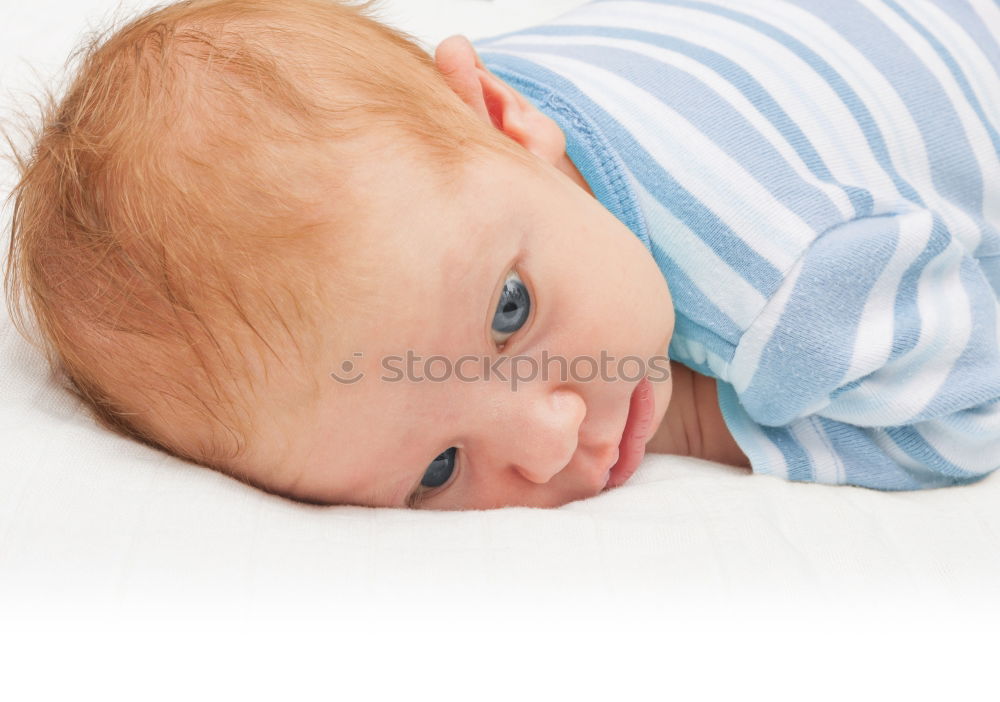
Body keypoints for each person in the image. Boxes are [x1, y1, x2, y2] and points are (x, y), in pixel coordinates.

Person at [4, 0, 999, 510]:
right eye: (438, 469)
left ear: (498, 113)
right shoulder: (470, 149)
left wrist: (705, 415)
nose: (549, 434)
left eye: (511, 312)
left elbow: (968, 404)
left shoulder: (789, 285)